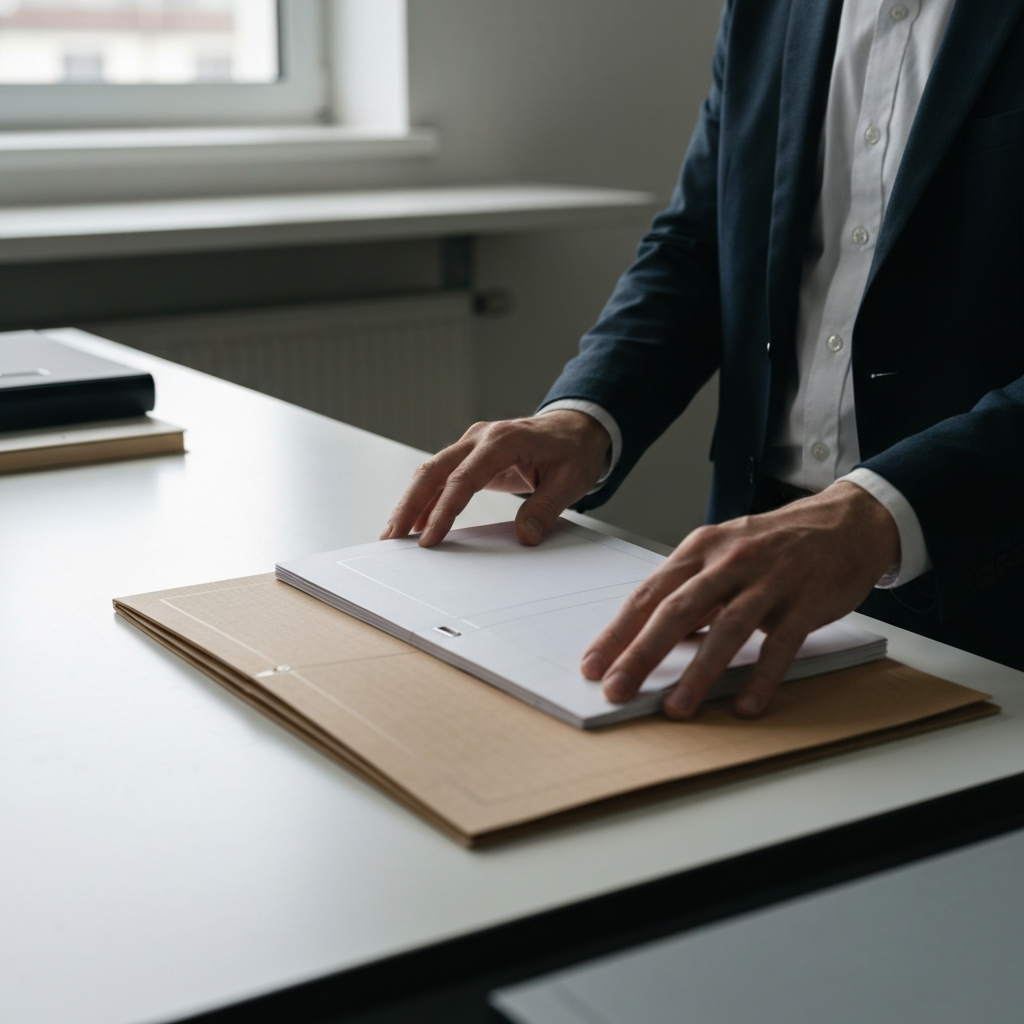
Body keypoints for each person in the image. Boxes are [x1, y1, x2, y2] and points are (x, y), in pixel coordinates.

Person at [383, 0, 1024, 719]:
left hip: (991, 579)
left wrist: (879, 512)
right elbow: (700, 241)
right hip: (753, 555)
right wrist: (585, 413)